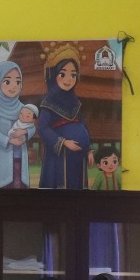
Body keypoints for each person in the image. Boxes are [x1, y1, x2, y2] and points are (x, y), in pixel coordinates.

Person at [36, 43, 91, 188]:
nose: (68, 79)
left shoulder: (75, 102)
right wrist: (64, 142)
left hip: (79, 157)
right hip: (60, 157)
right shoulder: (48, 102)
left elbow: (83, 125)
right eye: (63, 74)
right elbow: (43, 128)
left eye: (73, 74)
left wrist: (89, 150)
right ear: (53, 75)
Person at [0, 61, 26, 189]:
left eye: (17, 82)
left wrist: (25, 132)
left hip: (20, 158)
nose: (13, 86)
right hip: (3, 158)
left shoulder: (22, 108)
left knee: (20, 189)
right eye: (7, 82)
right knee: (3, 189)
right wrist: (9, 140)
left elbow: (31, 127)